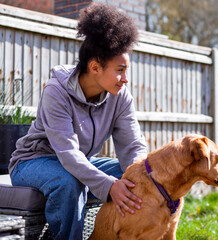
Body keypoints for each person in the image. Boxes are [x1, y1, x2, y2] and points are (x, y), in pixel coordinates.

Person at [8, 2, 147, 239]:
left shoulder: (120, 96)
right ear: (94, 67)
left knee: (139, 175)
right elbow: (68, 154)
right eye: (120, 70)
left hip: (79, 161)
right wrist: (109, 186)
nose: (125, 79)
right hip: (33, 162)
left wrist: (140, 173)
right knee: (68, 182)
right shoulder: (56, 92)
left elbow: (133, 146)